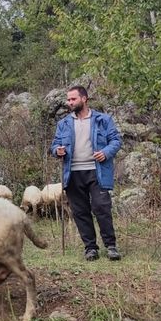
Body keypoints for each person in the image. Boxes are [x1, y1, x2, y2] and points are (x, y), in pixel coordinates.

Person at [50, 86, 122, 261]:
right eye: (68, 100)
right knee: (80, 211)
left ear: (84, 99)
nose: (69, 103)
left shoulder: (102, 120)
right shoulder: (64, 123)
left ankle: (111, 246)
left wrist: (105, 152)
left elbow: (116, 140)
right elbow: (54, 145)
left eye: (73, 99)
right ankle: (90, 248)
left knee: (101, 207)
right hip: (73, 173)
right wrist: (57, 150)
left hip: (97, 171)